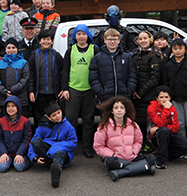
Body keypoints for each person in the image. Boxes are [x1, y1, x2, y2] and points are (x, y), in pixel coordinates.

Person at [60, 24, 100, 159]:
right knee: (71, 120)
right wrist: (65, 88)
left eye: (84, 34)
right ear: (75, 36)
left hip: (89, 90)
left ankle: (87, 147)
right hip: (73, 90)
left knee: (88, 120)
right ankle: (70, 146)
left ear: (88, 35)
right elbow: (65, 70)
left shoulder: (94, 49)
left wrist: (97, 88)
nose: (81, 36)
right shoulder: (70, 50)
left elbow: (99, 70)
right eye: (79, 34)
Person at [94, 96, 157, 181]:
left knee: (151, 158)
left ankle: (121, 173)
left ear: (125, 110)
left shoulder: (133, 125)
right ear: (112, 111)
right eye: (116, 108)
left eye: (122, 108)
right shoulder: (104, 127)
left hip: (132, 157)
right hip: (117, 159)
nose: (119, 110)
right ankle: (142, 168)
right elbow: (98, 146)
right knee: (110, 162)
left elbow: (138, 141)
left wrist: (134, 151)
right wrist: (112, 154)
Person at [162, 39, 187, 158]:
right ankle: (182, 146)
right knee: (179, 124)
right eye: (175, 49)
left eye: (180, 48)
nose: (178, 51)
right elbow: (166, 81)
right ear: (172, 50)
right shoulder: (169, 64)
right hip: (175, 99)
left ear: (185, 49)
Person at [28, 102, 77, 188]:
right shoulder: (42, 127)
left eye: (59, 112)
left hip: (61, 149)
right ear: (49, 117)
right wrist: (34, 157)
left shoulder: (67, 125)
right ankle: (49, 162)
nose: (58, 116)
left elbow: (73, 142)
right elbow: (32, 142)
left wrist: (55, 147)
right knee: (36, 141)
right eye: (54, 115)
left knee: (59, 154)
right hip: (47, 150)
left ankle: (55, 171)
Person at [146, 85, 187, 169]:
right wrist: (166, 109)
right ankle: (160, 161)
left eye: (166, 97)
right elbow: (160, 123)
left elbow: (176, 127)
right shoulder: (151, 108)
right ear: (156, 98)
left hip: (168, 133)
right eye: (161, 97)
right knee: (164, 131)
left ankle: (163, 155)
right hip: (155, 136)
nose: (164, 100)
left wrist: (160, 127)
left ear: (170, 98)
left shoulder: (172, 108)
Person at [89, 28, 137, 104]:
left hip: (123, 97)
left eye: (115, 39)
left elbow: (132, 74)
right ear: (105, 40)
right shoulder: (97, 58)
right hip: (105, 98)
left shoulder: (126, 57)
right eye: (109, 39)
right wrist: (100, 92)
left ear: (119, 40)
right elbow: (93, 78)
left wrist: (129, 90)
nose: (112, 42)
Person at [28, 29, 64, 127]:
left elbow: (62, 73)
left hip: (53, 94)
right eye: (44, 39)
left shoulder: (56, 56)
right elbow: (30, 75)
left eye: (48, 39)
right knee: (39, 119)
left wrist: (62, 88)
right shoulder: (34, 56)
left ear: (52, 41)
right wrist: (31, 91)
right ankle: (40, 140)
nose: (46, 42)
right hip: (38, 94)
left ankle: (53, 139)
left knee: (54, 119)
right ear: (40, 41)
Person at [0, 38, 31, 119]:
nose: (11, 50)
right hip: (4, 99)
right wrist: (4, 91)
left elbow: (25, 78)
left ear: (17, 49)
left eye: (13, 47)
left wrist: (14, 89)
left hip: (20, 99)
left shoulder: (24, 63)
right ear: (5, 50)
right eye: (9, 48)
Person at [131, 31, 162, 133]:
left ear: (150, 40)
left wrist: (140, 93)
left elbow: (154, 78)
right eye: (141, 39)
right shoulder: (135, 54)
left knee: (149, 122)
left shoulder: (155, 55)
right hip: (136, 95)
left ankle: (149, 145)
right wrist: (133, 91)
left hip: (149, 95)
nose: (143, 41)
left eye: (145, 38)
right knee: (137, 123)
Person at [0, 96, 33, 172]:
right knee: (1, 168)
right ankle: (10, 161)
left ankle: (28, 161)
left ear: (18, 107)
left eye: (13, 106)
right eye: (8, 106)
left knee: (19, 167)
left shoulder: (25, 121)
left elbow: (27, 139)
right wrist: (3, 153)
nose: (10, 108)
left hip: (20, 152)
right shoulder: (1, 121)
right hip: (7, 152)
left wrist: (20, 153)